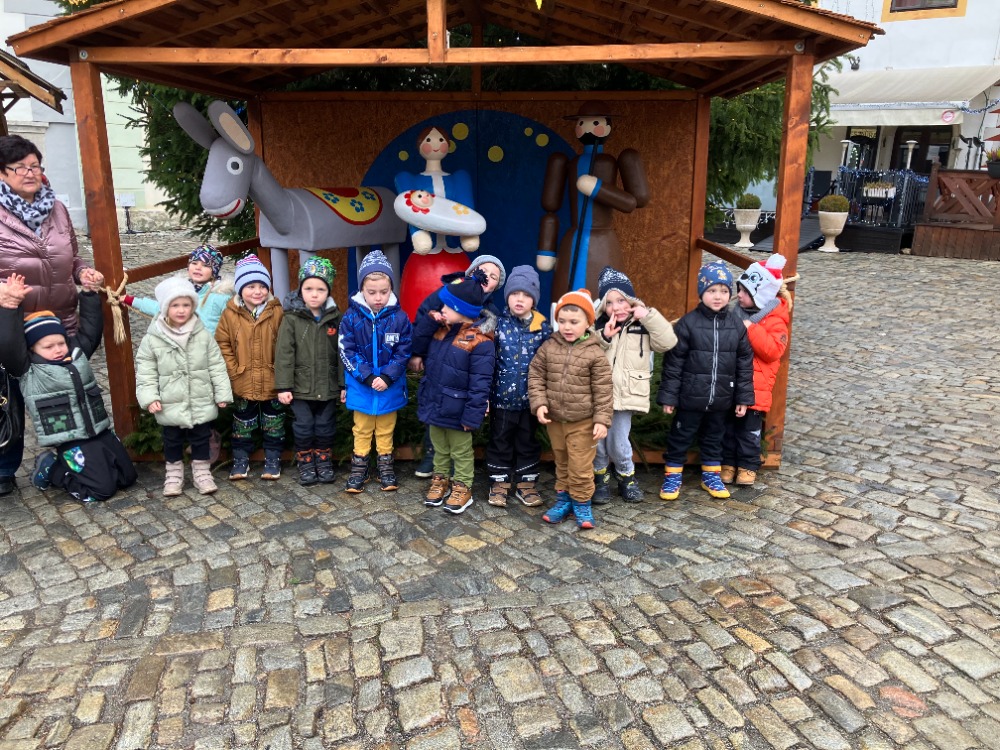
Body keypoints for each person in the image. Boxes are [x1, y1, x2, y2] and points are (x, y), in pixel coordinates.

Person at [0, 135, 104, 496]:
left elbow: (71, 256)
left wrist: (83, 272)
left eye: (35, 165)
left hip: (58, 322)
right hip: (12, 325)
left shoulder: (56, 208)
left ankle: (70, 459)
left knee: (64, 393)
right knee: (9, 398)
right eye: (20, 167)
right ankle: (4, 467)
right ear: (2, 173)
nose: (30, 173)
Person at [0, 273, 136, 503]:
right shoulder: (28, 368)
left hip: (98, 429)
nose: (57, 349)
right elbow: (8, 344)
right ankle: (52, 468)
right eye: (48, 346)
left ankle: (80, 467)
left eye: (60, 343)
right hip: (71, 439)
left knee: (127, 477)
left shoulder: (76, 353)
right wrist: (11, 306)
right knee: (101, 490)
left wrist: (89, 294)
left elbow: (91, 330)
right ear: (32, 349)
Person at [656, 262, 754, 501]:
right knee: (680, 437)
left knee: (714, 438)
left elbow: (744, 363)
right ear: (701, 292)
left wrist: (743, 398)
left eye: (723, 290)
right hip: (690, 397)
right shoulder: (688, 323)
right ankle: (672, 476)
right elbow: (674, 364)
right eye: (712, 290)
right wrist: (669, 396)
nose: (718, 296)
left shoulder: (736, 325)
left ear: (730, 294)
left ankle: (711, 475)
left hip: (721, 398)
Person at [409, 254, 506, 477]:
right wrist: (417, 353)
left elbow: (487, 358)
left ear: (496, 286)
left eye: (494, 277)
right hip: (437, 359)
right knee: (435, 414)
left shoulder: (491, 312)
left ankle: (457, 470)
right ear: (471, 272)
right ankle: (431, 456)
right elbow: (423, 319)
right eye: (483, 271)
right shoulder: (448, 293)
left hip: (462, 367)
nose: (487, 277)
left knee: (454, 417)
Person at [135, 277, 233, 496]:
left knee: (201, 437)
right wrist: (150, 397)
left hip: (200, 397)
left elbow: (216, 365)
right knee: (171, 439)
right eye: (175, 305)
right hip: (169, 400)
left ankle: (202, 472)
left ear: (193, 306)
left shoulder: (202, 334)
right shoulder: (153, 338)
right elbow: (145, 370)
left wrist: (222, 393)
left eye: (186, 305)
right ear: (165, 308)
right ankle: (174, 475)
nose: (181, 310)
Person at [528, 289, 613, 529]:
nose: (567, 327)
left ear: (588, 323)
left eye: (574, 322)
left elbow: (603, 389)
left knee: (580, 465)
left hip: (583, 422)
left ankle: (582, 502)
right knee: (562, 462)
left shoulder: (595, 353)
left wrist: (602, 419)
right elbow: (536, 375)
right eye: (562, 321)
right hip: (555, 420)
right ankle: (564, 500)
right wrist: (540, 403)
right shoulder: (549, 347)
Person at [593, 266, 677, 503]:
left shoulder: (643, 324)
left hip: (626, 393)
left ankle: (626, 477)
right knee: (597, 443)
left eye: (621, 300)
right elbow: (585, 350)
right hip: (598, 395)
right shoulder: (597, 325)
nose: (616, 307)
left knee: (619, 442)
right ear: (603, 306)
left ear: (631, 300)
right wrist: (604, 337)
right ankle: (600, 479)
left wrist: (648, 316)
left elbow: (667, 342)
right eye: (610, 303)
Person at [416, 270, 496, 514]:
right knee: (439, 447)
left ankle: (463, 486)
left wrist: (472, 415)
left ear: (462, 311)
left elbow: (480, 383)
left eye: (446, 306)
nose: (441, 309)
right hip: (436, 403)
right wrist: (431, 320)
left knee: (460, 451)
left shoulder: (480, 341)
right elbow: (417, 342)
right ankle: (440, 479)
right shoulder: (441, 330)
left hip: (459, 410)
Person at [340, 249, 412, 492]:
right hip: (362, 386)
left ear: (391, 288)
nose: (378, 297)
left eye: (384, 291)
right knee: (361, 429)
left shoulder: (400, 318)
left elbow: (404, 351)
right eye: (372, 292)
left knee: (385, 429)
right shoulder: (350, 317)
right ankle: (359, 468)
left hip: (389, 387)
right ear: (362, 289)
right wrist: (368, 376)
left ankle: (385, 467)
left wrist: (388, 376)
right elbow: (347, 350)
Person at [394, 125, 479, 320]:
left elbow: (465, 208)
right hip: (423, 258)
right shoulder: (411, 180)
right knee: (419, 310)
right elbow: (412, 210)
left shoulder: (458, 179)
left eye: (441, 140)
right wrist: (417, 232)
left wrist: (469, 233)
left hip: (453, 252)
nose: (435, 145)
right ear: (420, 146)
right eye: (429, 140)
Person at [721, 254, 791, 487]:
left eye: (744, 291)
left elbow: (773, 351)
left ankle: (748, 466)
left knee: (749, 432)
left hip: (755, 389)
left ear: (759, 294)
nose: (739, 295)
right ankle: (728, 464)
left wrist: (751, 329)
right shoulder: (735, 314)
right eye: (739, 290)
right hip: (731, 384)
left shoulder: (774, 320)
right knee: (728, 429)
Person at [485, 265, 551, 508]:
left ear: (534, 299)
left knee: (527, 441)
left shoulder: (542, 327)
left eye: (526, 295)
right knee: (500, 440)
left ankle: (526, 482)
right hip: (502, 398)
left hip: (530, 400)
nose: (519, 299)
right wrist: (485, 395)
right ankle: (499, 481)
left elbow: (549, 362)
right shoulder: (497, 324)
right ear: (507, 297)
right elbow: (487, 361)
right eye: (514, 294)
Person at [215, 254, 285, 481]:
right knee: (242, 423)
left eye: (263, 286)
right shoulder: (230, 313)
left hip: (272, 379)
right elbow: (223, 343)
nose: (258, 291)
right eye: (251, 286)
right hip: (243, 379)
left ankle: (272, 459)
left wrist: (281, 371)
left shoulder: (276, 311)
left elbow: (285, 344)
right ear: (240, 289)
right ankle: (240, 460)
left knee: (274, 422)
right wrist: (233, 368)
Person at [274, 257, 341, 486]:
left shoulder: (335, 317)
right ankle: (305, 462)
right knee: (303, 427)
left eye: (320, 289)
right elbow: (284, 353)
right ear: (300, 290)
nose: (314, 294)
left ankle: (323, 460)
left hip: (328, 386)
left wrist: (343, 384)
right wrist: (284, 386)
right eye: (309, 289)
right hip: (300, 387)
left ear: (328, 291)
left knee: (325, 427)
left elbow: (342, 352)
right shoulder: (292, 318)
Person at [122, 243, 233, 333]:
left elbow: (235, 326)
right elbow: (159, 308)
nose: (198, 268)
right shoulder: (180, 290)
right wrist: (131, 300)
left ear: (214, 271)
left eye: (205, 265)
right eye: (194, 263)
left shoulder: (221, 297)